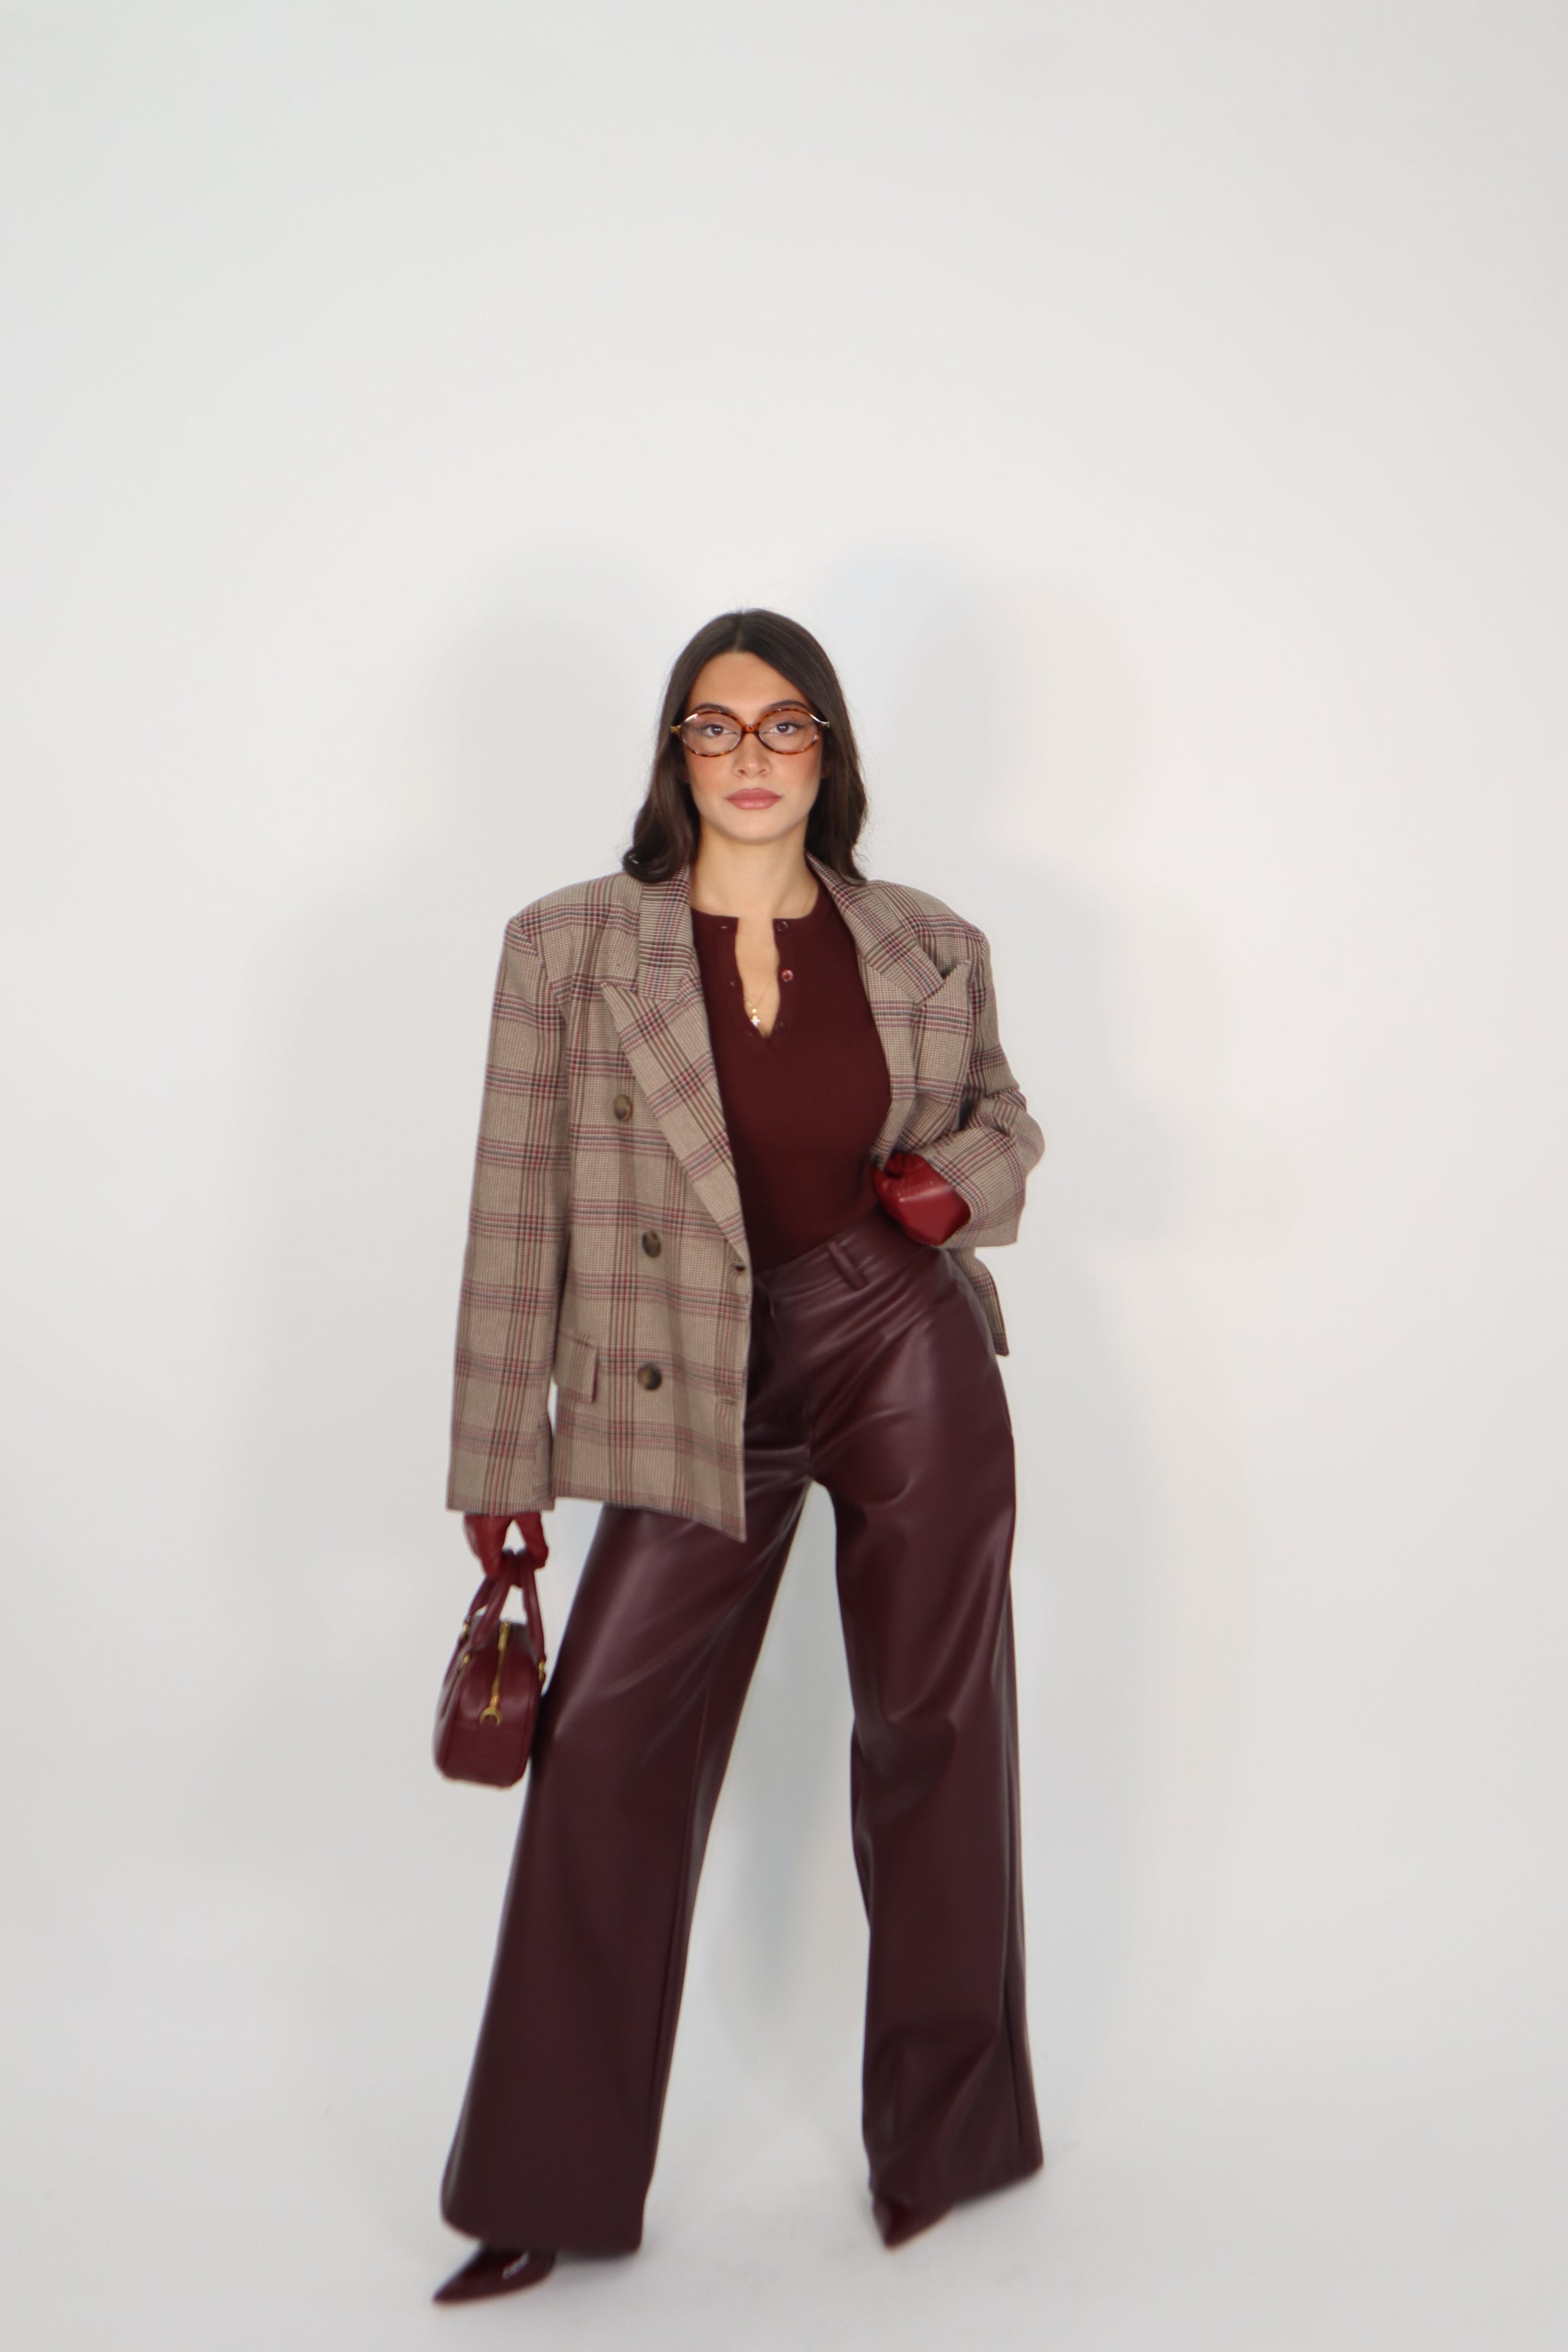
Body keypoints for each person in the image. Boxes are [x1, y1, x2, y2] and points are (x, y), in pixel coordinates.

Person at [433, 609, 1045, 2303]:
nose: (752, 757)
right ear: (675, 752)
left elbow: (1008, 1118)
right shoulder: (568, 948)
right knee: (604, 1751)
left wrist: (954, 1188)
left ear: (827, 750)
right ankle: (542, 2185)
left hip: (896, 1331)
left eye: (785, 726)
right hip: (684, 1372)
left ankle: (946, 2142)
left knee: (935, 1729)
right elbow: (513, 1217)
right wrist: (501, 1471)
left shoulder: (928, 940)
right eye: (717, 727)